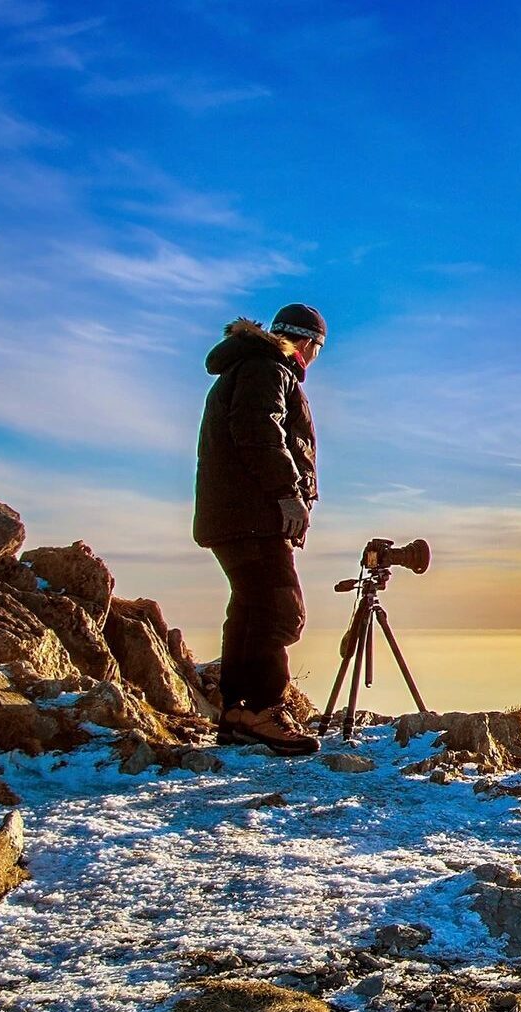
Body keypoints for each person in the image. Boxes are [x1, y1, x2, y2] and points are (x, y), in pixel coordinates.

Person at [193, 303, 326, 755]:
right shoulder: (267, 368)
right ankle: (263, 710)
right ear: (308, 343)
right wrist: (289, 491)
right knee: (279, 610)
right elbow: (258, 430)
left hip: (234, 513)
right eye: (317, 348)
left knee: (251, 609)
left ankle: (237, 712)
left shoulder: (251, 367)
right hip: (251, 515)